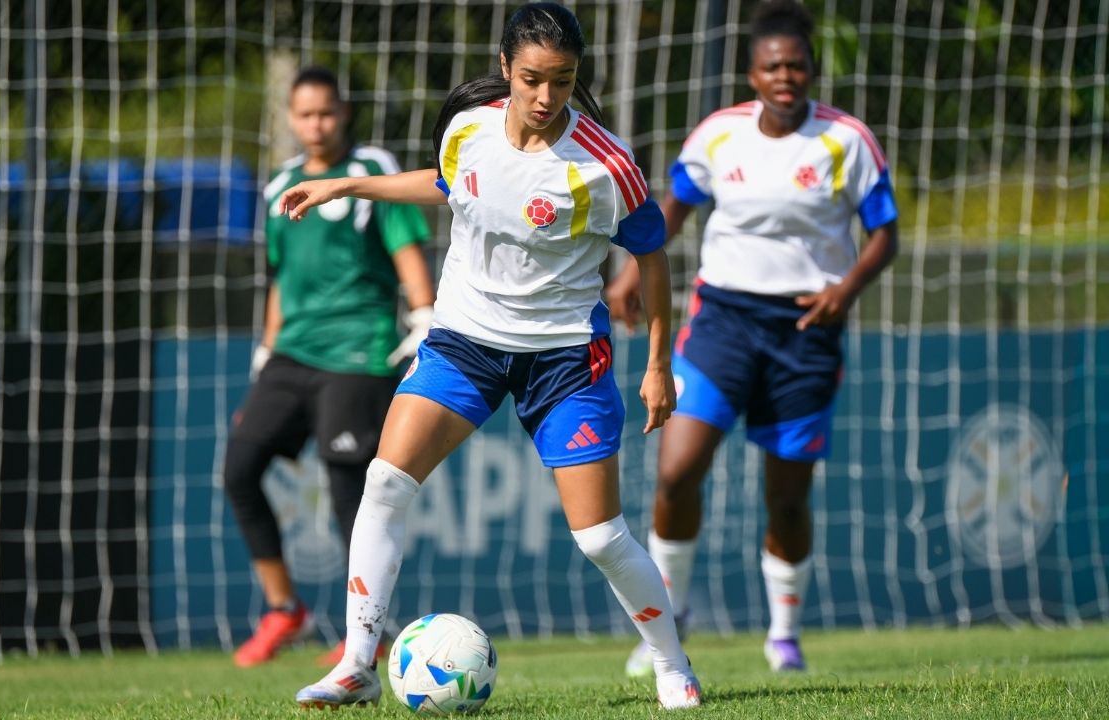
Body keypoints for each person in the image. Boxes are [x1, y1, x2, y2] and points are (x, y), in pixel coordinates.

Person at [277, 3, 702, 711]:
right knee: (385, 483)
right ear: (506, 68)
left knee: (600, 537)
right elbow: (448, 186)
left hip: (564, 361)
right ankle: (356, 666)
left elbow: (651, 256)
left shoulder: (606, 165)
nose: (546, 96)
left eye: (563, 80)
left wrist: (658, 364)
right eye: (532, 78)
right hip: (465, 342)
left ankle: (671, 663)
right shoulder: (468, 129)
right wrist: (346, 184)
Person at [607, 0, 899, 677]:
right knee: (676, 472)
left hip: (806, 332)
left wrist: (844, 290)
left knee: (787, 498)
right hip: (722, 323)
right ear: (752, 74)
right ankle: (669, 620)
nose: (784, 77)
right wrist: (629, 274)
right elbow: (674, 207)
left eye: (796, 66)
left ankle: (785, 637)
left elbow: (886, 234)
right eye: (772, 67)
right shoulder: (719, 135)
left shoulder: (846, 140)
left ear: (811, 71)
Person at [225, 66, 435, 668]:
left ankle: (367, 632)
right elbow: (281, 280)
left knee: (349, 487)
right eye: (305, 114)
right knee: (239, 469)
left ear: (344, 113)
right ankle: (283, 610)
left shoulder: (370, 171)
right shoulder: (280, 185)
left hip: (360, 352)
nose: (316, 124)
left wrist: (424, 315)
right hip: (291, 354)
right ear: (291, 119)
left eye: (326, 112)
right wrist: (265, 354)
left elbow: (406, 249)